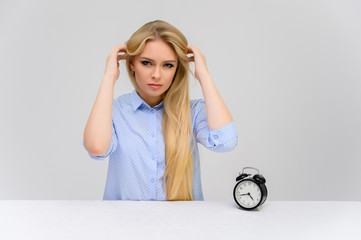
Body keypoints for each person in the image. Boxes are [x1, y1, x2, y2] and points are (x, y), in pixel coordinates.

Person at [83, 20, 238, 201]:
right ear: (131, 63)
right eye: (147, 63)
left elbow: (226, 142)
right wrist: (109, 77)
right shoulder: (116, 110)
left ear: (177, 68)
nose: (157, 74)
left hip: (181, 226)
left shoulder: (193, 112)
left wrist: (204, 75)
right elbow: (96, 147)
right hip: (124, 226)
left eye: (168, 65)